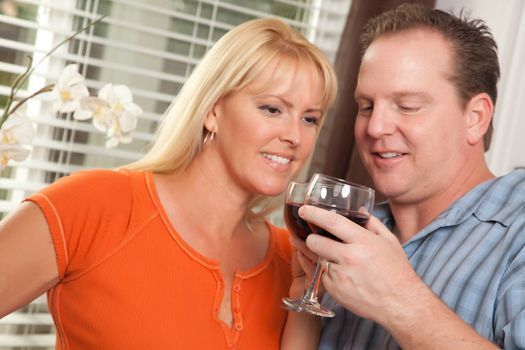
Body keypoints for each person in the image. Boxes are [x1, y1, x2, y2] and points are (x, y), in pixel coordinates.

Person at [0, 18, 337, 349]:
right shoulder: (96, 205)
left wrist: (301, 304)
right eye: (272, 109)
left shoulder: (292, 260)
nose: (294, 136)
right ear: (213, 111)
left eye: (310, 119)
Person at [289, 3, 525, 350]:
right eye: (366, 106)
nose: (375, 127)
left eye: (408, 105)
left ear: (475, 117)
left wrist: (400, 302)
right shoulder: (346, 235)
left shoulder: (517, 232)